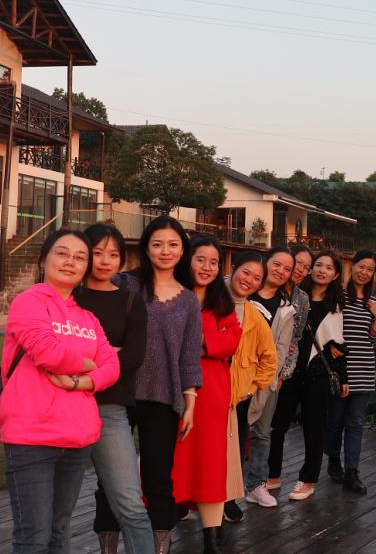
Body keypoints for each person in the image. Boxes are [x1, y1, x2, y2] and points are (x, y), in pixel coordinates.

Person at [0, 229, 120, 554]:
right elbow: (47, 352)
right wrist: (87, 363)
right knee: (34, 537)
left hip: (77, 438)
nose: (70, 262)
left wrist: (82, 381)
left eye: (80, 257)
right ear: (44, 260)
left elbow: (112, 366)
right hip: (32, 437)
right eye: (62, 253)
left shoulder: (88, 318)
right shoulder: (28, 302)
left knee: (59, 532)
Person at [122, 216, 203, 554]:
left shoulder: (188, 300)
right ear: (146, 248)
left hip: (163, 399)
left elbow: (189, 356)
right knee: (113, 480)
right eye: (157, 244)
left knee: (158, 480)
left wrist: (190, 402)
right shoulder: (125, 285)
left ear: (182, 250)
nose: (165, 251)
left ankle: (160, 548)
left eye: (173, 244)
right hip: (119, 395)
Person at [74, 224, 154, 554]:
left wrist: (83, 360)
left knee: (131, 506)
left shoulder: (130, 301)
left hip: (110, 409)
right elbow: (52, 349)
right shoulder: (69, 297)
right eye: (97, 253)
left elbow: (133, 357)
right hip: (62, 408)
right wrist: (108, 354)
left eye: (114, 254)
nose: (105, 260)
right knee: (56, 512)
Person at [172, 237, 242, 554]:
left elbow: (233, 340)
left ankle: (211, 539)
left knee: (210, 461)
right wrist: (207, 343)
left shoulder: (222, 304)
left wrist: (200, 344)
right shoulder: (172, 296)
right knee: (174, 457)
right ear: (188, 260)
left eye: (214, 262)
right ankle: (165, 527)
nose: (207, 267)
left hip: (212, 391)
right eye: (201, 259)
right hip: (174, 388)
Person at [275, 250, 348, 501]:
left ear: (335, 275)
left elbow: (338, 345)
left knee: (314, 428)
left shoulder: (336, 305)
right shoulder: (295, 296)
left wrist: (343, 378)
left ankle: (308, 480)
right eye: (318, 265)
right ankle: (272, 475)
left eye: (329, 267)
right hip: (289, 370)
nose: (322, 270)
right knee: (278, 424)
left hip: (317, 373)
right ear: (310, 269)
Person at [241, 246, 298, 509]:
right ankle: (224, 489)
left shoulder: (287, 309)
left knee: (263, 433)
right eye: (277, 264)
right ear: (266, 262)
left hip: (265, 379)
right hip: (234, 374)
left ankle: (256, 485)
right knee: (231, 434)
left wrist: (272, 377)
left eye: (287, 269)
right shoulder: (244, 291)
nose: (280, 271)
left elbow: (282, 349)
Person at [223, 252, 277, 524]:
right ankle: (189, 500)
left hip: (237, 399)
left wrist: (251, 387)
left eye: (257, 278)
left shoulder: (255, 317)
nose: (249, 280)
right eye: (246, 272)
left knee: (233, 453)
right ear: (234, 269)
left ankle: (228, 499)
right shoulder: (207, 302)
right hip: (205, 391)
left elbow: (270, 359)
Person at [327, 249, 376, 494]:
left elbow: (373, 340)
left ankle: (352, 471)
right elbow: (326, 327)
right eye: (361, 266)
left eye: (370, 269)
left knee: (356, 423)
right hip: (340, 369)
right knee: (335, 421)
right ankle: (333, 460)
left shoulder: (373, 302)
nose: (364, 272)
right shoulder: (337, 295)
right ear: (352, 266)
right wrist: (330, 346)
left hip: (363, 368)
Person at [265, 246, 312, 493]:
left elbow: (296, 338)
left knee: (277, 424)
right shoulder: (270, 286)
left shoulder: (302, 298)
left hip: (285, 368)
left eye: (306, 266)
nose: (300, 269)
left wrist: (284, 372)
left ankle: (272, 475)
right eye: (298, 263)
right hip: (258, 362)